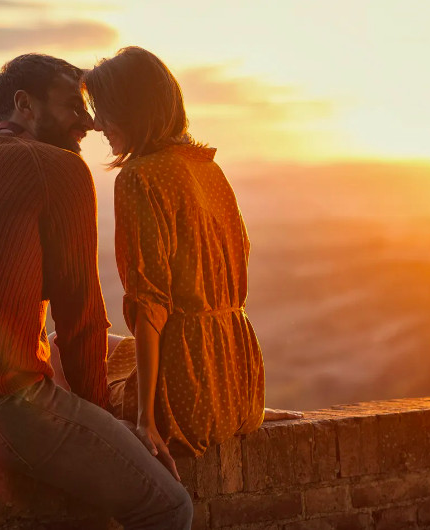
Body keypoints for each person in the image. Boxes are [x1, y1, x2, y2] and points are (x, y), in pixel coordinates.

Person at [0, 53, 193, 529]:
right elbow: (80, 316)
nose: (89, 122)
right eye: (72, 105)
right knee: (169, 507)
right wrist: (104, 424)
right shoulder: (59, 168)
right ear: (24, 105)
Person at [69, 47, 300, 480]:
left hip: (186, 393)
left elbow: (150, 304)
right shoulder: (208, 169)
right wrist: (237, 392)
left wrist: (145, 420)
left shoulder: (138, 178)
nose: (97, 124)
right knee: (105, 346)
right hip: (238, 381)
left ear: (133, 111)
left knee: (64, 359)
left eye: (105, 111)